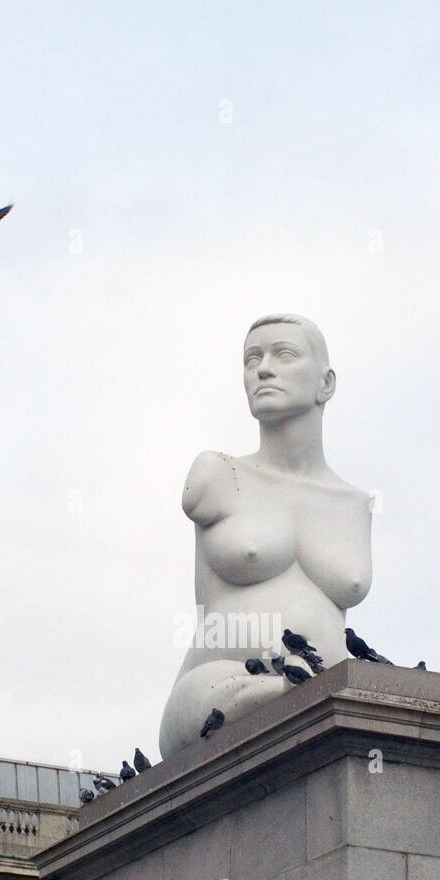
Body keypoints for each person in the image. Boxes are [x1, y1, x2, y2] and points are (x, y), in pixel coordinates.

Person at [159, 313, 372, 757]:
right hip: (215, 689)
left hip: (328, 714)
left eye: (284, 355)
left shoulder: (354, 503)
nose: (263, 369)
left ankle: (311, 692)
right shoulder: (217, 474)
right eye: (251, 359)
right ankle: (297, 690)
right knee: (285, 694)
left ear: (326, 384)